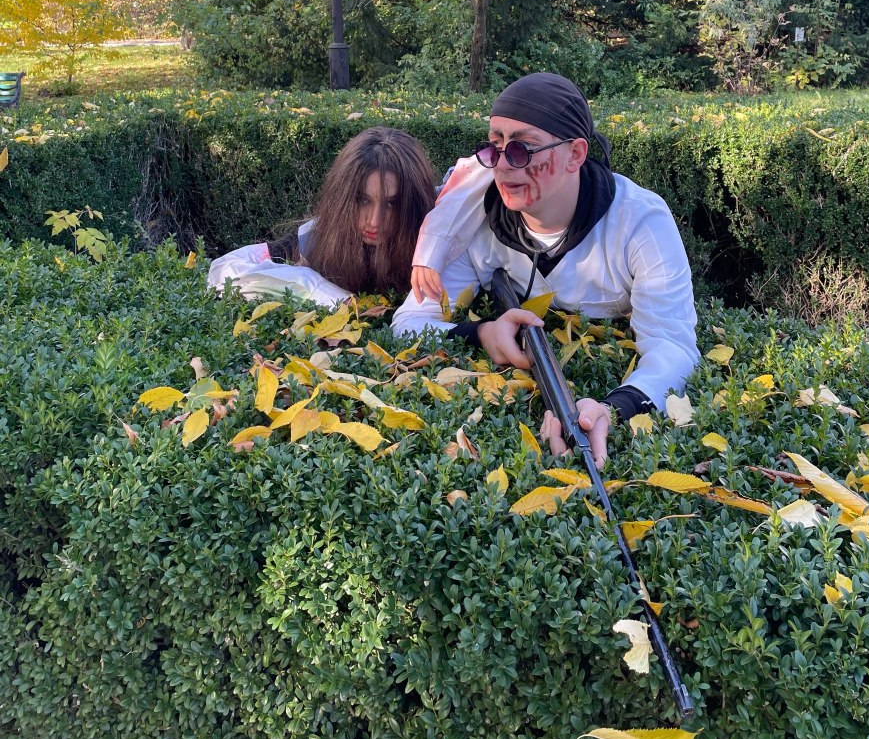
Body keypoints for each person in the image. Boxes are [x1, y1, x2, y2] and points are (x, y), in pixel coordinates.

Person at [393, 74, 699, 466]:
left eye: (522, 148)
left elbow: (673, 345)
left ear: (575, 154)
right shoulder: (475, 222)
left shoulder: (641, 223)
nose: (503, 166)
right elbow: (410, 321)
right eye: (495, 146)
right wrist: (482, 333)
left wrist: (613, 408)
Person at [208, 127, 437, 307]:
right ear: (342, 198)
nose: (374, 221)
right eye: (363, 200)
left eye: (392, 204)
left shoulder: (439, 231)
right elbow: (225, 269)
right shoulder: (314, 239)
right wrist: (319, 288)